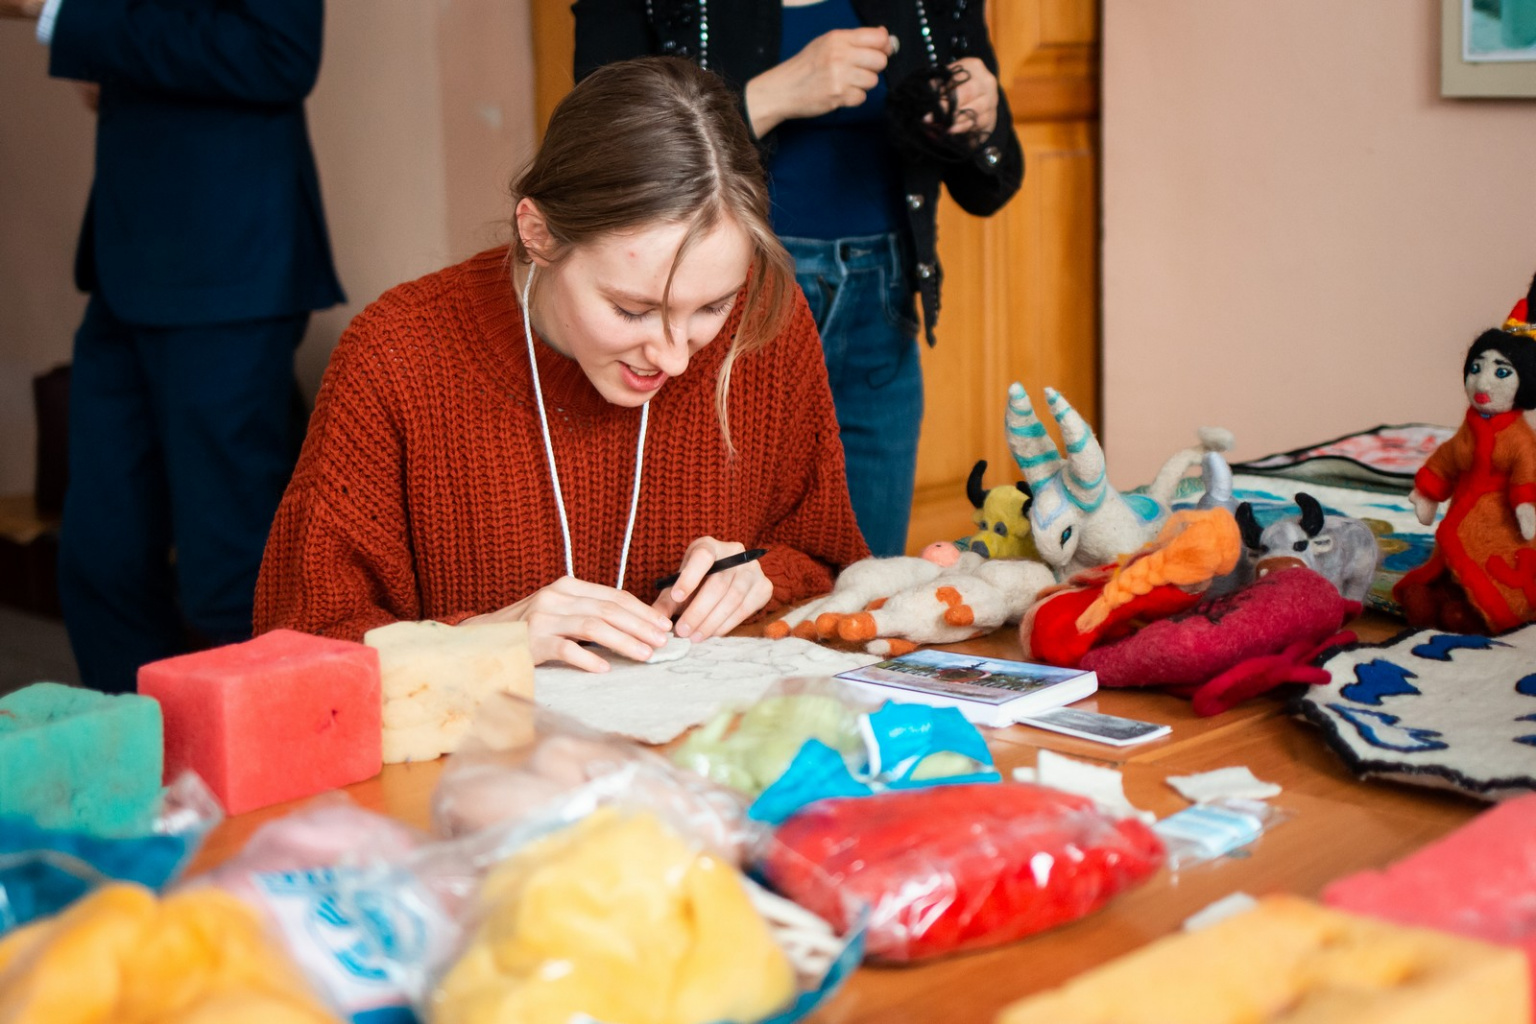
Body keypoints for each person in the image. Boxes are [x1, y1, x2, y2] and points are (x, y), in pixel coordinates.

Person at [254, 57, 870, 673]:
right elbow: (299, 651)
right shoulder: (397, 355)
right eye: (632, 310)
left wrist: (764, 575)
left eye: (711, 307)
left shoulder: (766, 319)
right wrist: (486, 638)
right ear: (539, 234)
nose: (676, 359)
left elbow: (830, 563)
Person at [574, 0, 1024, 557]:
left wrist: (982, 119)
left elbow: (988, 188)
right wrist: (773, 96)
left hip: (881, 307)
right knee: (710, 575)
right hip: (724, 310)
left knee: (868, 578)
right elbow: (602, 156)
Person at [1, 0, 345, 693]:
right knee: (100, 561)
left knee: (229, 570)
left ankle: (269, 751)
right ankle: (137, 751)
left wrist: (60, 12)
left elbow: (279, 53)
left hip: (227, 266)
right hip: (127, 260)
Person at [1395, 301, 1536, 635]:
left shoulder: (1518, 438)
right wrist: (1428, 492)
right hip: (1463, 511)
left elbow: (1527, 468)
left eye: (1501, 372)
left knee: (1487, 567)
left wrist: (1525, 504)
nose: (1482, 383)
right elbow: (1450, 456)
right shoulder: (1471, 427)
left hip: (1503, 524)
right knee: (1450, 558)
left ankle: (1478, 609)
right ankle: (1443, 594)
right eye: (1476, 368)